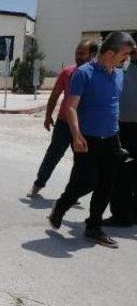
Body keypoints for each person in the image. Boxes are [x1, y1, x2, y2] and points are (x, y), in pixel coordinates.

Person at [48, 32, 136, 248]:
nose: (127, 58)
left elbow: (112, 104)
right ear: (109, 53)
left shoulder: (118, 74)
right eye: (124, 54)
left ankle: (94, 227)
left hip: (112, 138)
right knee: (88, 181)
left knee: (107, 183)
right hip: (87, 138)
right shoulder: (83, 74)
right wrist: (77, 135)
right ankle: (61, 205)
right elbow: (70, 107)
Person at [27, 40, 98, 198]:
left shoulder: (97, 75)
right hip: (64, 123)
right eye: (76, 53)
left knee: (80, 161)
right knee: (53, 155)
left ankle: (71, 193)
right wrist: (47, 116)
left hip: (84, 127)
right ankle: (38, 185)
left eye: (81, 54)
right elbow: (54, 96)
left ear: (92, 55)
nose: (77, 57)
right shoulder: (67, 72)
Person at [106, 48, 137, 226]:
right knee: (121, 172)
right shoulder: (121, 70)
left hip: (129, 127)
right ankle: (121, 215)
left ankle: (129, 214)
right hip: (123, 127)